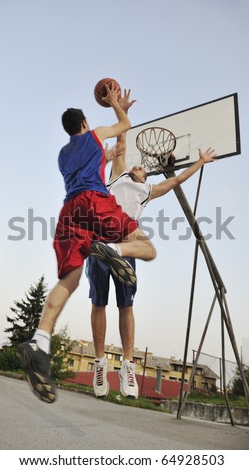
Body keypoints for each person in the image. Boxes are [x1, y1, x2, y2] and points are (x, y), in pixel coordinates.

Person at [16, 83, 157, 404]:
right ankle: (114, 250)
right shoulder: (95, 134)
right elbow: (125, 126)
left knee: (70, 279)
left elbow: (92, 164)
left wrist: (107, 156)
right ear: (84, 123)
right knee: (147, 248)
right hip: (94, 202)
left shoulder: (63, 155)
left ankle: (40, 341)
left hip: (69, 212)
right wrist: (116, 104)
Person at [87, 91, 216, 399]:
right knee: (98, 304)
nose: (138, 168)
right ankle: (100, 362)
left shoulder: (146, 190)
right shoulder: (117, 175)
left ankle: (128, 366)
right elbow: (122, 139)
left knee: (126, 306)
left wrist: (199, 161)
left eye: (143, 169)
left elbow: (176, 180)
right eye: (136, 166)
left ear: (146, 174)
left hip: (124, 247)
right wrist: (120, 107)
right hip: (100, 240)